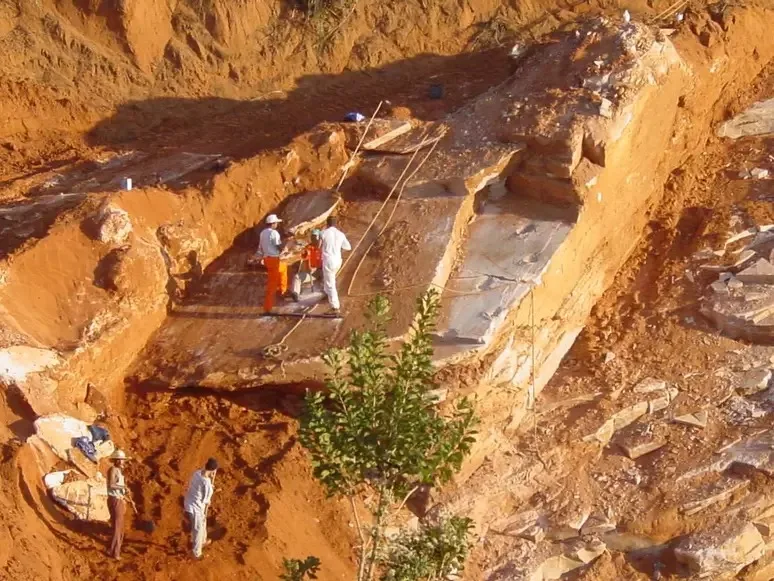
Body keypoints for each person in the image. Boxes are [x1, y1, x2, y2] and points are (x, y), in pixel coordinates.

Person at [183, 458, 218, 560]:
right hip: (195, 508)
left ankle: (203, 541)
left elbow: (201, 485)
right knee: (197, 530)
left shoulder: (197, 473)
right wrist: (210, 492)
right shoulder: (207, 485)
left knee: (203, 523)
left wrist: (210, 485)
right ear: (213, 471)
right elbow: (206, 500)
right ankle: (196, 553)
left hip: (190, 501)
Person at [320, 216, 351, 314]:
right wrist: (338, 250)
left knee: (330, 283)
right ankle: (328, 294)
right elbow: (348, 247)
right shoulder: (340, 234)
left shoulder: (324, 233)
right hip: (338, 260)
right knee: (329, 279)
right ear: (336, 223)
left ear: (327, 223)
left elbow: (318, 245)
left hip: (328, 260)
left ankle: (335, 308)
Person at [258, 214, 288, 313]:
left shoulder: (262, 233)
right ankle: (267, 308)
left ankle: (283, 291)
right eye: (276, 223)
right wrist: (285, 248)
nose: (277, 225)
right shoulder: (274, 233)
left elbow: (260, 248)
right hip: (274, 260)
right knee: (272, 285)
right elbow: (278, 246)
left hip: (267, 259)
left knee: (283, 268)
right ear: (273, 223)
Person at [107, 449, 130, 560]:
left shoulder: (118, 471)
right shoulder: (113, 470)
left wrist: (125, 494)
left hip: (118, 499)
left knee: (118, 526)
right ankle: (115, 553)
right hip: (115, 500)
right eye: (122, 460)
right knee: (118, 527)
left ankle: (112, 550)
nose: (123, 462)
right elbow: (112, 484)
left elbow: (117, 487)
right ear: (117, 460)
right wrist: (123, 487)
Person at [290, 229, 323, 301]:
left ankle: (325, 292)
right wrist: (310, 267)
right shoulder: (308, 248)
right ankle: (295, 294)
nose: (313, 239)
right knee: (297, 277)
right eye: (312, 237)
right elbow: (305, 257)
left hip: (322, 271)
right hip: (312, 272)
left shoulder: (325, 248)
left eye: (315, 237)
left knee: (326, 274)